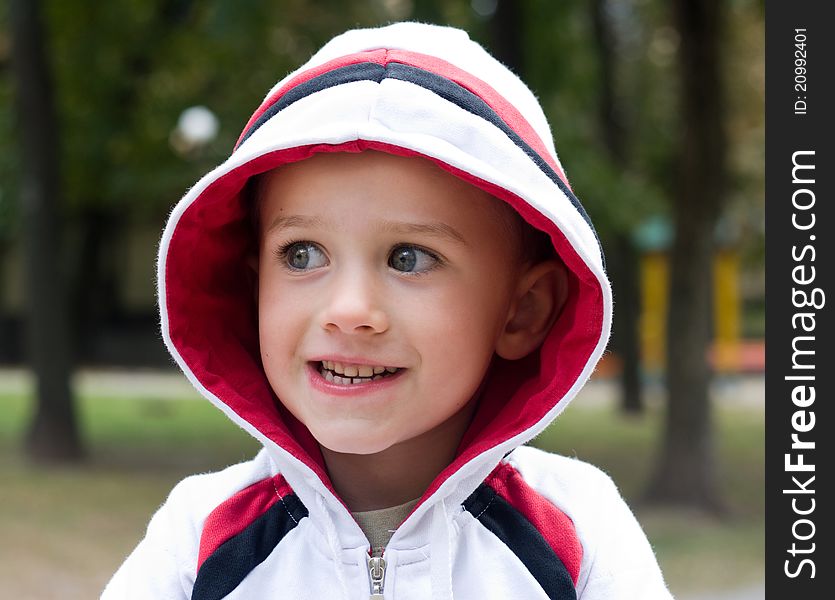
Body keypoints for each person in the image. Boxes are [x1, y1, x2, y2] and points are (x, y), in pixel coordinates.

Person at [103, 21, 672, 600]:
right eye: (302, 255)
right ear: (255, 290)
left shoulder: (577, 535)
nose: (349, 311)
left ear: (521, 311)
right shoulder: (199, 543)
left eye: (409, 257)